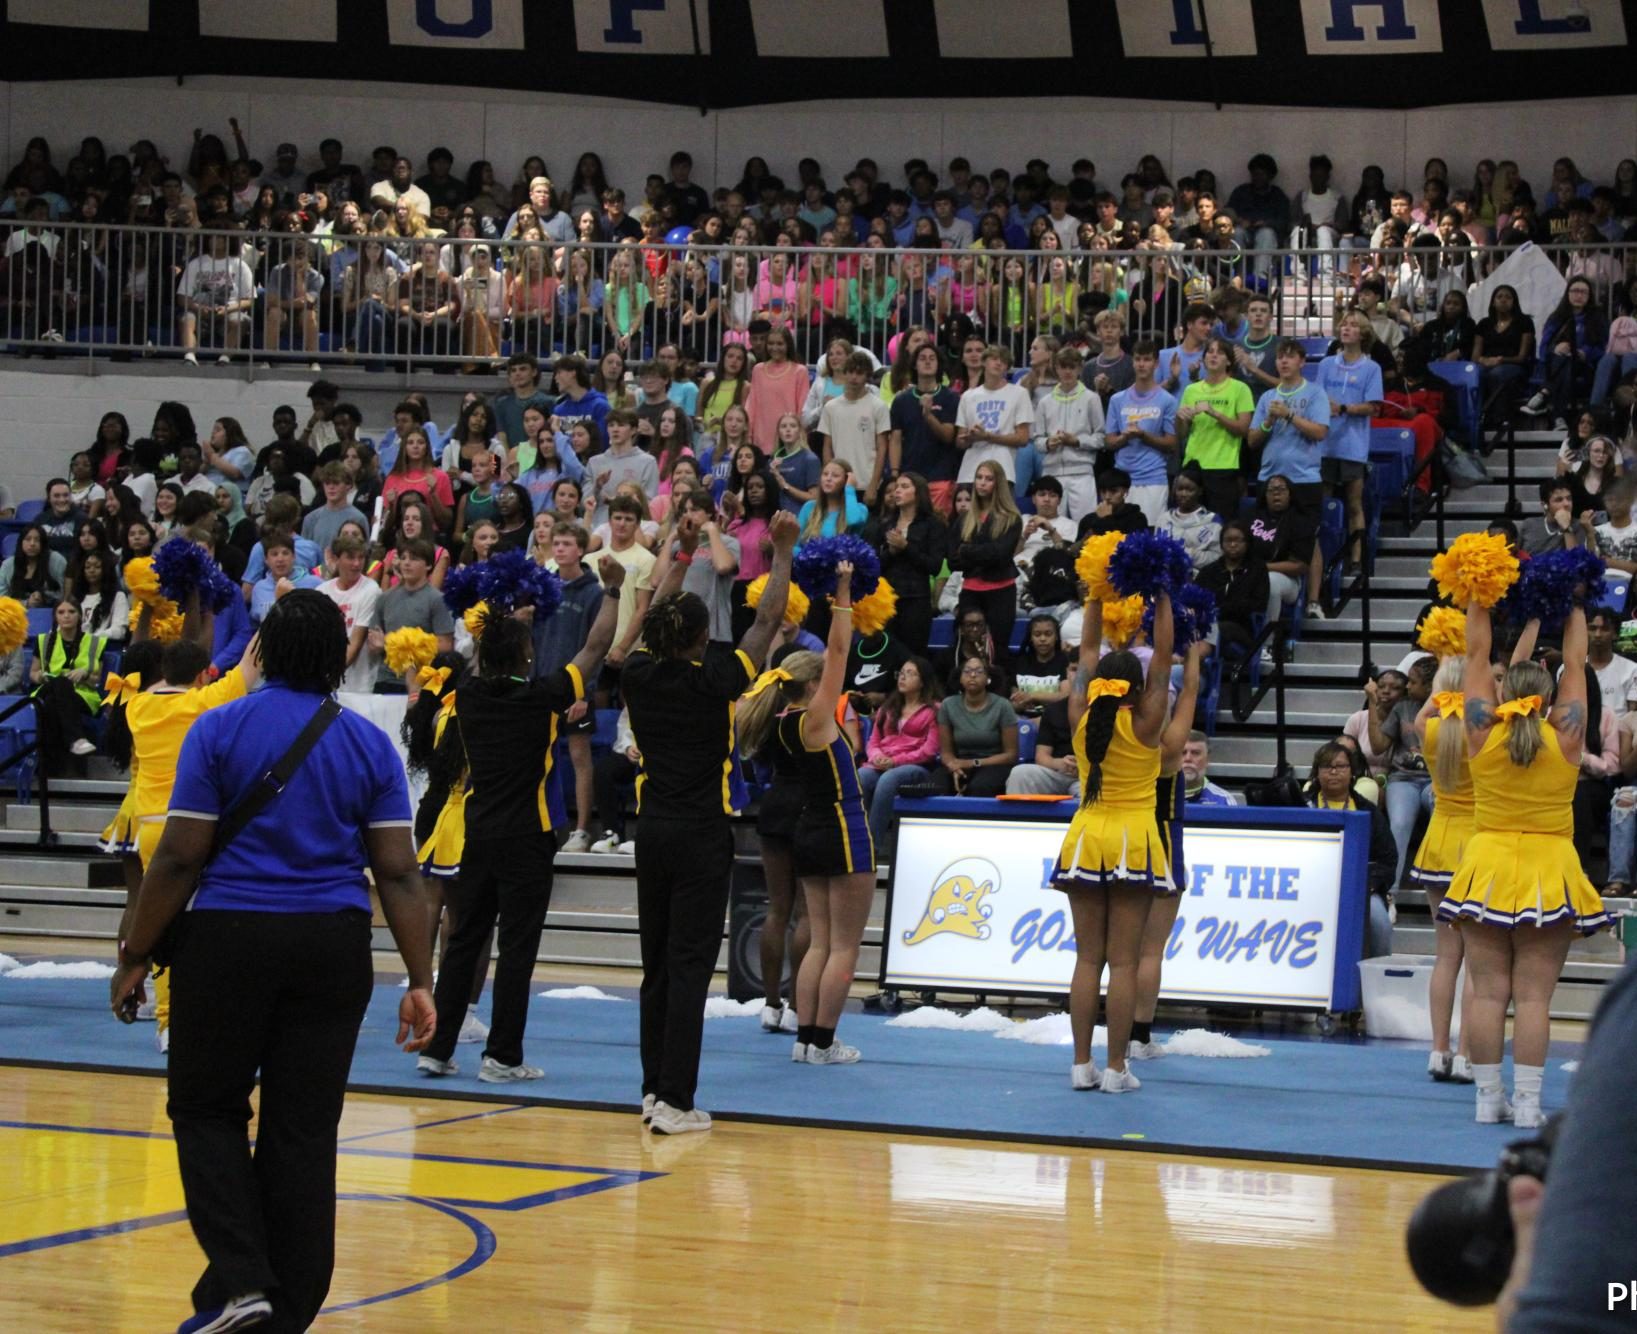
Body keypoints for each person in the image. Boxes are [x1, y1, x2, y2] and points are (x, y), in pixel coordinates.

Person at [109, 590, 436, 1334]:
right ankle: (280, 1312)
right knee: (303, 1131)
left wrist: (135, 953)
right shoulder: (368, 744)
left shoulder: (218, 727)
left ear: (261, 651)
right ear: (334, 659)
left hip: (229, 940)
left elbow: (180, 858)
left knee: (205, 1108)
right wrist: (420, 981)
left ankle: (241, 1287)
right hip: (333, 946)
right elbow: (399, 873)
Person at [621, 509, 799, 1133]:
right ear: (700, 640)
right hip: (701, 832)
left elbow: (644, 625)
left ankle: (651, 1091)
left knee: (656, 966)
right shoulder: (718, 678)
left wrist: (679, 557)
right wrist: (781, 553)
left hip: (651, 832)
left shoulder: (639, 674)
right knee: (690, 964)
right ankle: (675, 1100)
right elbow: (769, 620)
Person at [416, 557, 626, 1084]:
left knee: (464, 939)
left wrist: (511, 628)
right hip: (527, 838)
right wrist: (616, 592)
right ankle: (502, 1057)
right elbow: (596, 647)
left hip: (479, 834)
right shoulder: (543, 697)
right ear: (527, 655)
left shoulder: (466, 696)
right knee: (516, 948)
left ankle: (437, 1048)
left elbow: (487, 653)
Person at [1437, 599, 1610, 1127]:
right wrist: (1575, 600)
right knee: (1534, 998)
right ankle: (1530, 1104)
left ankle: (1488, 1100)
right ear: (1552, 698)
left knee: (1488, 992)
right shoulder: (1568, 738)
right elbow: (1578, 661)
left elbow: (1476, 650)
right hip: (1548, 868)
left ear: (1500, 695)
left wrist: (1477, 596)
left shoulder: (1480, 734)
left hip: (1486, 866)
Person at [741, 558, 875, 1065]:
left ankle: (807, 1040)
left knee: (821, 938)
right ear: (812, 687)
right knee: (843, 946)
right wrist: (842, 590)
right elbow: (839, 648)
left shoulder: (776, 721)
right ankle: (823, 1041)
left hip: (808, 830)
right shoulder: (815, 719)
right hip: (841, 826)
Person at [1051, 588, 1174, 1093]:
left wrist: (1094, 599)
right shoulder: (1146, 723)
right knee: (1123, 961)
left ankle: (1081, 1065)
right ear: (1140, 687)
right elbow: (1165, 654)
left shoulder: (1080, 714)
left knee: (1086, 958)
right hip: (1133, 841)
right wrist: (1162, 595)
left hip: (1086, 834)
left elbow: (1085, 651)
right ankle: (1117, 1069)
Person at [1131, 640, 1207, 1062]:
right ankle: (1139, 1036)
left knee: (1117, 953)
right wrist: (1191, 648)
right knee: (1149, 950)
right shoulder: (1170, 742)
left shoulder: (1116, 731)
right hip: (1161, 841)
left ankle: (1113, 1033)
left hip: (1124, 840)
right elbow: (1191, 690)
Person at [1407, 656, 1477, 1083]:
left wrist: (1444, 693)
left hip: (1438, 843)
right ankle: (1468, 1053)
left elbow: (1422, 713)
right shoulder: (1482, 735)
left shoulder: (1428, 730)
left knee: (1446, 957)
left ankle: (1438, 1050)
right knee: (1479, 963)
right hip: (1476, 845)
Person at [531, 523, 605, 853]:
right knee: (537, 756)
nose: (559, 549)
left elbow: (597, 646)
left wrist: (584, 692)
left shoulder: (594, 593)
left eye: (566, 544)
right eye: (555, 543)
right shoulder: (543, 589)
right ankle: (541, 822)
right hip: (542, 686)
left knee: (579, 756)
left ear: (580, 550)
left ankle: (581, 829)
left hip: (575, 689)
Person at [1304, 740, 1399, 956]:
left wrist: (1370, 885)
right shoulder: (1305, 806)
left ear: (1352, 772)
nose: (1334, 772)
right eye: (1327, 766)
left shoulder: (1368, 811)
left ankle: (1376, 979)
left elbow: (1388, 859)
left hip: (1362, 886)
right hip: (1312, 885)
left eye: (1340, 766)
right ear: (1317, 773)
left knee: (1379, 923)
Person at [855, 656, 942, 856]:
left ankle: (872, 848)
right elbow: (873, 741)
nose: (903, 677)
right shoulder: (889, 706)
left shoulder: (934, 710)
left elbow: (929, 751)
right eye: (901, 673)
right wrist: (876, 757)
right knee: (861, 776)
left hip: (916, 767)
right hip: (881, 763)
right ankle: (855, 840)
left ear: (923, 681)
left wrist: (895, 762)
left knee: (888, 780)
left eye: (910, 674)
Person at [1317, 312, 1382, 576]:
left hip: (1353, 445)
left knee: (1354, 504)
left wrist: (1343, 408)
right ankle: (1324, 555)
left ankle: (1356, 559)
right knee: (1323, 503)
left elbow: (1374, 407)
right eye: (1344, 324)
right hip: (1325, 445)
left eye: (1353, 325)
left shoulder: (1371, 368)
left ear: (1363, 334)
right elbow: (1317, 395)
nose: (1347, 328)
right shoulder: (1326, 364)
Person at [1367, 653, 1436, 893]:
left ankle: (1444, 886)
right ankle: (1389, 892)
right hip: (1403, 779)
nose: (1408, 686)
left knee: (1443, 816)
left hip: (1436, 780)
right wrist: (1372, 703)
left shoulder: (1450, 706)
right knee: (1399, 822)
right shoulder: (1403, 707)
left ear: (1430, 686)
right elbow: (1378, 745)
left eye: (1414, 682)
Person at [948, 460, 1024, 658]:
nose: (982, 483)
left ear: (998, 484)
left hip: (1001, 590)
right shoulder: (964, 519)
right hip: (970, 591)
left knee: (998, 649)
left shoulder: (1011, 518)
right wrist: (983, 553)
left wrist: (968, 551)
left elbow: (1001, 555)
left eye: (988, 479)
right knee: (965, 648)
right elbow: (953, 561)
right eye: (979, 478)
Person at [1177, 336, 1255, 520]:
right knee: (1190, 523)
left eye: (1220, 352)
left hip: (1223, 466)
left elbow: (1244, 429)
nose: (1213, 356)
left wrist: (1215, 413)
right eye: (1209, 352)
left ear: (1228, 361)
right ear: (1203, 359)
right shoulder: (1191, 390)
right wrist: (1180, 418)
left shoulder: (1240, 389)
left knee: (1220, 524)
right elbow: (1181, 433)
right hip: (1193, 466)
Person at [28, 599, 106, 765]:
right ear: (55, 617)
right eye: (61, 612)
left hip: (81, 695)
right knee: (60, 684)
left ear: (80, 616)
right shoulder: (43, 640)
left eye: (71, 612)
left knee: (51, 704)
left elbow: (96, 681)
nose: (66, 616)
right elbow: (32, 674)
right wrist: (40, 676)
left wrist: (84, 674)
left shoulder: (94, 642)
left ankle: (49, 763)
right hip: (46, 688)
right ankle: (76, 739)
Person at [1032, 345, 1105, 521]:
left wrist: (1077, 441)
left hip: (1082, 472)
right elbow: (1037, 439)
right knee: (1051, 525)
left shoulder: (1091, 398)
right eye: (1063, 367)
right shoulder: (1045, 402)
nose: (1067, 372)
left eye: (1072, 367)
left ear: (1079, 369)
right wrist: (1049, 443)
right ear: (1056, 368)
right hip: (1052, 472)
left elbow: (1101, 438)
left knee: (1086, 524)